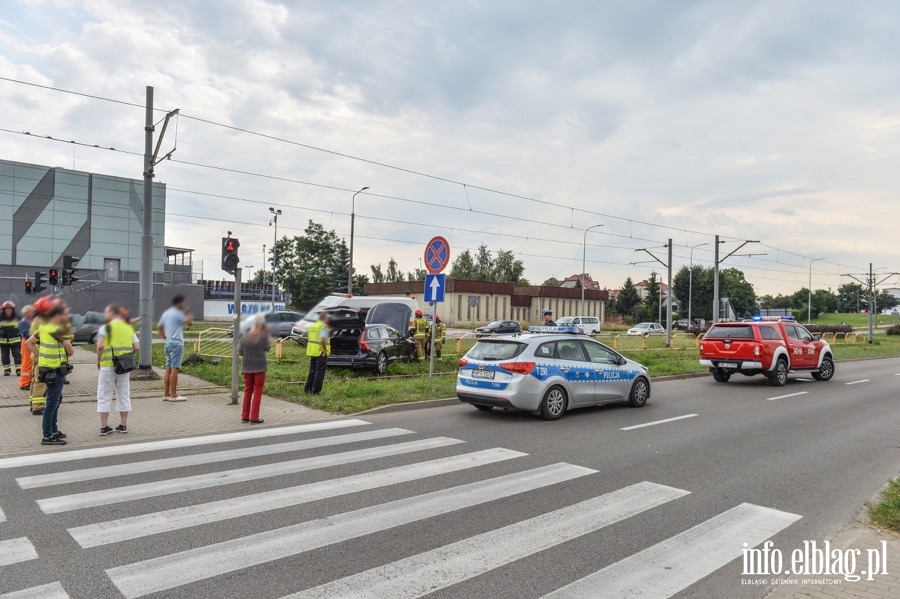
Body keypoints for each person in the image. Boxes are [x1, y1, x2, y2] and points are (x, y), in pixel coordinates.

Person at [26, 299, 74, 446]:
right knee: (52, 403)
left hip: (46, 369)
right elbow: (70, 352)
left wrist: (40, 355)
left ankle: (54, 430)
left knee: (56, 400)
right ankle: (47, 435)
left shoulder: (43, 328)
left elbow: (29, 342)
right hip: (55, 370)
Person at [96, 304, 139, 436]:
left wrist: (98, 361)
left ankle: (104, 427)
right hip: (123, 367)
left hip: (107, 365)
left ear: (112, 314)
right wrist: (127, 357)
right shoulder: (128, 328)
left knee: (104, 395)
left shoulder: (105, 328)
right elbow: (137, 347)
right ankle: (123, 425)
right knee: (124, 394)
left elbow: (100, 346)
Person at [157, 295, 193, 402]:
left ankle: (166, 394)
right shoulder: (178, 313)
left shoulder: (166, 313)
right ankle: (173, 395)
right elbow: (190, 322)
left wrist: (165, 338)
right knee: (175, 369)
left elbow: (159, 328)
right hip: (177, 343)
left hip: (168, 343)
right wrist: (188, 311)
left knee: (168, 369)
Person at [239, 315, 271, 423]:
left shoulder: (244, 335)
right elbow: (268, 348)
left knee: (248, 390)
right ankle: (254, 417)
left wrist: (247, 356)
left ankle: (245, 416)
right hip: (260, 367)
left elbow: (239, 351)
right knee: (257, 390)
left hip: (247, 366)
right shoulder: (263, 336)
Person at [304, 311, 331, 395]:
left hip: (312, 351)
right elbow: (323, 339)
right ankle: (315, 392)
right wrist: (324, 350)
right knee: (319, 373)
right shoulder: (323, 327)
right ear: (325, 318)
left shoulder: (313, 326)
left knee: (312, 371)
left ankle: (308, 389)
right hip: (320, 352)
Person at [1, 301, 22, 377]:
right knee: (5, 356)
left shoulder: (17, 317)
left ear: (13, 309)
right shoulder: (0, 317)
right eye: (6, 309)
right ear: (4, 309)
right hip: (3, 341)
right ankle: (7, 370)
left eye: (10, 309)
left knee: (17, 355)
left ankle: (19, 370)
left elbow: (22, 327)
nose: (8, 310)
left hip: (15, 340)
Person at [18, 304, 35, 390]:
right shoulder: (24, 321)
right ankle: (24, 383)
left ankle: (29, 381)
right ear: (27, 312)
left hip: (30, 342)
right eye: (32, 311)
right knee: (27, 362)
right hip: (27, 343)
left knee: (30, 362)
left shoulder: (30, 320)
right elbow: (25, 333)